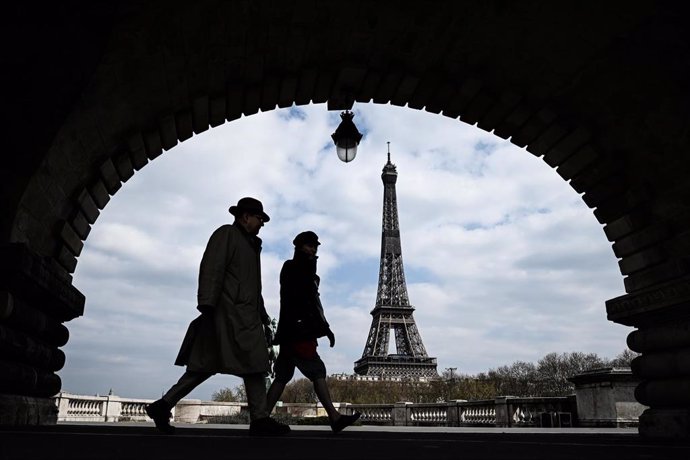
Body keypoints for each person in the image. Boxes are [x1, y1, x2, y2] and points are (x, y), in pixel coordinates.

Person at [145, 197, 290, 436]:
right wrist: (207, 305)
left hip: (241, 315)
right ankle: (260, 418)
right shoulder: (227, 235)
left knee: (210, 365)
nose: (262, 223)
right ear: (245, 217)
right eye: (259, 218)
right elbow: (212, 269)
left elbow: (253, 287)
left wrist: (262, 314)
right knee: (250, 364)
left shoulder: (248, 244)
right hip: (229, 315)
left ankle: (164, 405)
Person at [266, 231, 361, 433]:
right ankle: (334, 417)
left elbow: (309, 302)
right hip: (300, 331)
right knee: (317, 371)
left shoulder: (302, 270)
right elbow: (307, 301)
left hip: (291, 331)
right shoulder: (296, 269)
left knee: (282, 376)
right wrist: (323, 328)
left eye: (315, 247)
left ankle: (261, 417)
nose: (313, 249)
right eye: (309, 246)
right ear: (299, 247)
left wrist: (324, 328)